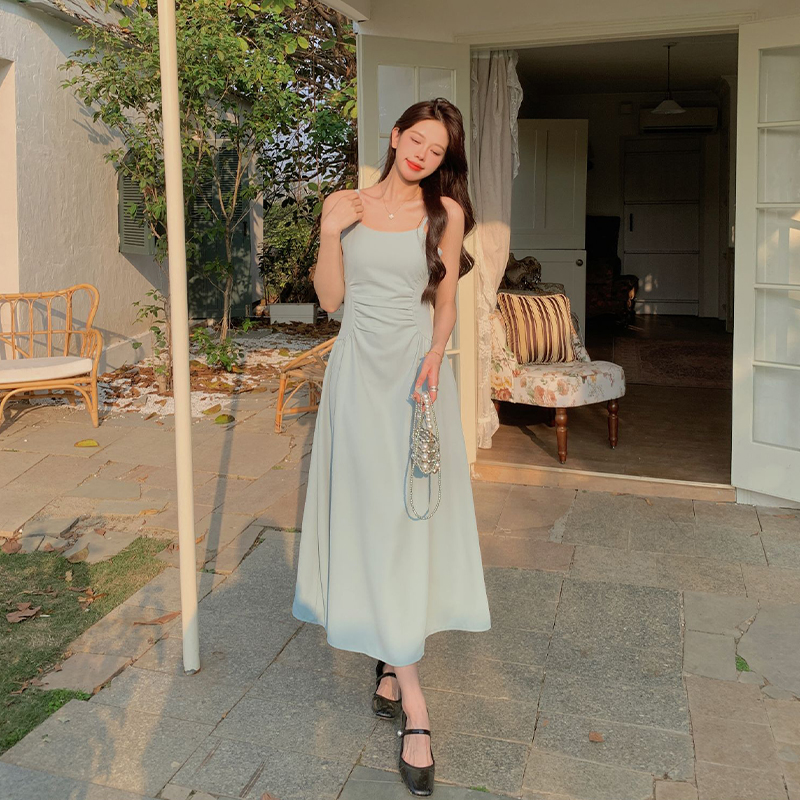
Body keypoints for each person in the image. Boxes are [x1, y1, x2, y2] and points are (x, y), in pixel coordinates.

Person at [291, 97, 491, 797]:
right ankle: (412, 699)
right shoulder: (346, 205)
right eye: (417, 141)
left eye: (437, 152)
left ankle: (401, 678)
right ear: (397, 134)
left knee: (406, 519)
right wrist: (328, 231)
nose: (423, 156)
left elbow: (445, 301)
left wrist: (436, 358)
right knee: (370, 516)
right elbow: (330, 299)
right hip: (355, 375)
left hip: (413, 376)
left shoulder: (445, 213)